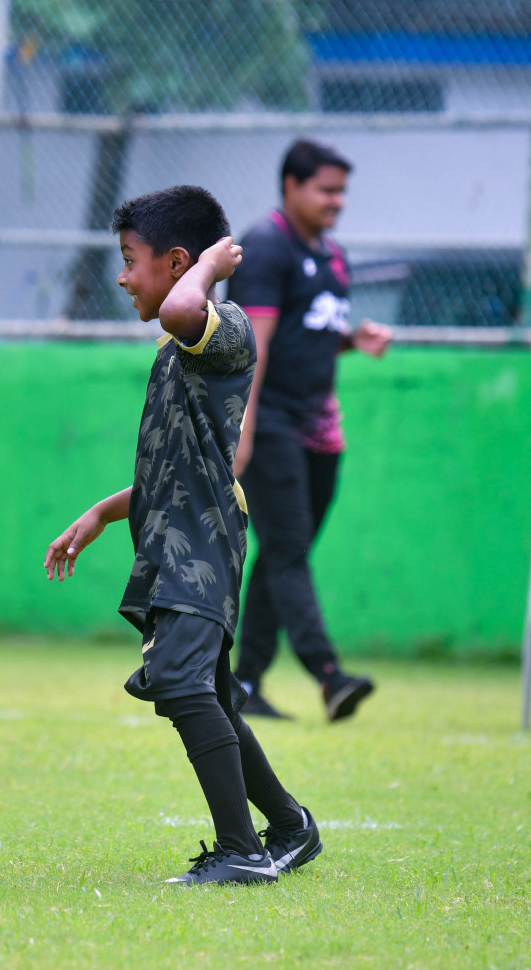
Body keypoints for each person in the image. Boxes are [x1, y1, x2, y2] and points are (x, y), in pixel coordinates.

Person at [44, 185, 322, 885]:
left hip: (200, 541)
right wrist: (105, 513)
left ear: (175, 262)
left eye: (131, 259)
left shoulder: (221, 328)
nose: (121, 274)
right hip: (175, 534)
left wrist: (209, 268)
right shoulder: (178, 348)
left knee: (176, 679)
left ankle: (241, 852)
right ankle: (289, 827)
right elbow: (176, 463)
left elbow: (180, 305)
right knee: (214, 695)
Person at [228, 140, 391, 722]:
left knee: (283, 553)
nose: (336, 201)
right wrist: (242, 430)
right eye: (325, 189)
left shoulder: (334, 255)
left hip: (318, 425)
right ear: (291, 186)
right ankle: (329, 676)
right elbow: (256, 347)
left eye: (342, 190)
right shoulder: (266, 248)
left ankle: (243, 682)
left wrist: (351, 340)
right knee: (290, 550)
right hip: (270, 422)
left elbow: (309, 333)